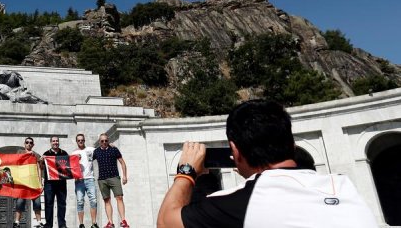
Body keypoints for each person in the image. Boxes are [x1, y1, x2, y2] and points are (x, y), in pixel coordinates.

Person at [157, 99, 378, 228]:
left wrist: (186, 172)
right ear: (291, 144)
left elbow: (166, 223)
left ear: (235, 151)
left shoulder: (233, 204)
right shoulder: (343, 186)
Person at [93, 134, 129, 228]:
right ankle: (110, 222)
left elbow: (122, 163)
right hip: (102, 179)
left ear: (108, 141)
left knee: (119, 197)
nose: (104, 142)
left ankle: (123, 221)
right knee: (107, 200)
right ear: (99, 142)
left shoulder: (114, 149)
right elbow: (87, 160)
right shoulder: (96, 152)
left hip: (114, 177)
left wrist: (124, 176)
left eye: (106, 140)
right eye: (102, 141)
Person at [14, 137, 44, 228]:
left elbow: (39, 168)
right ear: (24, 144)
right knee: (20, 202)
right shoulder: (20, 152)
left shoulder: (36, 155)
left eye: (31, 143)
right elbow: (15, 161)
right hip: (22, 182)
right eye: (27, 142)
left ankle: (39, 222)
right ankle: (17, 222)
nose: (29, 144)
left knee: (37, 202)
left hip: (34, 182)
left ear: (33, 145)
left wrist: (40, 183)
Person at [71, 133, 99, 228]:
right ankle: (81, 224)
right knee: (80, 201)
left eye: (82, 140)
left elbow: (101, 149)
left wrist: (110, 145)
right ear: (76, 141)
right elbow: (70, 168)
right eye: (78, 140)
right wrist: (75, 160)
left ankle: (94, 223)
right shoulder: (73, 153)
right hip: (79, 180)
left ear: (84, 140)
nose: (80, 142)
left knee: (94, 201)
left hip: (90, 179)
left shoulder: (91, 149)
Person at [43, 136, 69, 228]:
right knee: (48, 203)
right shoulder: (46, 154)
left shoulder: (64, 153)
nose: (55, 142)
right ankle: (48, 224)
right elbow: (42, 167)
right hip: (49, 184)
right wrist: (41, 160)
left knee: (62, 203)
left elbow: (69, 166)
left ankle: (62, 224)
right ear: (51, 142)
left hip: (61, 183)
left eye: (57, 141)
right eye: (53, 141)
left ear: (59, 142)